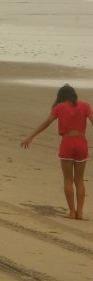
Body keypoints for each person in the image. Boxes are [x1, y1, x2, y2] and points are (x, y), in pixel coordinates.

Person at [21, 84, 93, 219]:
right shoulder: (85, 106)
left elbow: (46, 123)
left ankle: (72, 212)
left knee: (67, 179)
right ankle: (80, 212)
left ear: (61, 96)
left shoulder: (59, 107)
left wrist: (31, 136)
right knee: (79, 180)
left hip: (67, 143)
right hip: (81, 142)